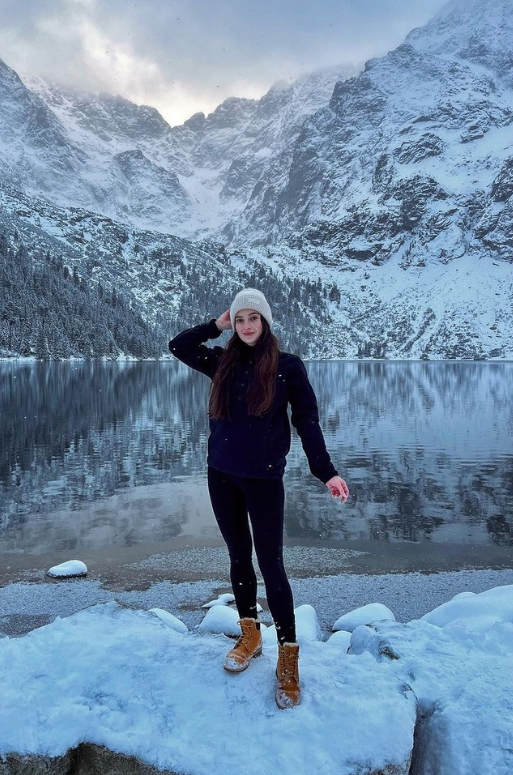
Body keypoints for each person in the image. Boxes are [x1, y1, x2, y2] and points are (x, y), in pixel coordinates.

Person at [169, 287, 348, 709]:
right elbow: (178, 345)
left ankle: (288, 654)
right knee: (237, 557)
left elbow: (306, 421)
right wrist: (217, 324)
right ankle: (250, 635)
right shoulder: (222, 363)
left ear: (266, 322)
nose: (248, 326)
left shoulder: (287, 368)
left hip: (264, 481)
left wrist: (326, 471)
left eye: (254, 318)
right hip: (221, 477)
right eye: (241, 318)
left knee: (272, 567)